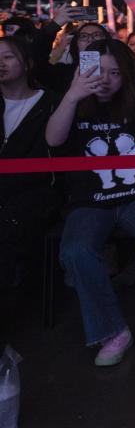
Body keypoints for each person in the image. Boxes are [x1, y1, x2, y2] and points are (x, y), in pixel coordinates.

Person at [46, 38, 135, 366]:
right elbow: (53, 139)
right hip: (88, 202)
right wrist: (73, 94)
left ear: (126, 75)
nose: (106, 80)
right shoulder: (71, 101)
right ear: (83, 69)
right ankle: (112, 331)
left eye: (115, 73)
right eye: (98, 71)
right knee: (75, 249)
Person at [0, 36, 59, 289]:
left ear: (27, 63)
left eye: (8, 57)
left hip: (32, 194)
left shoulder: (50, 103)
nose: (0, 63)